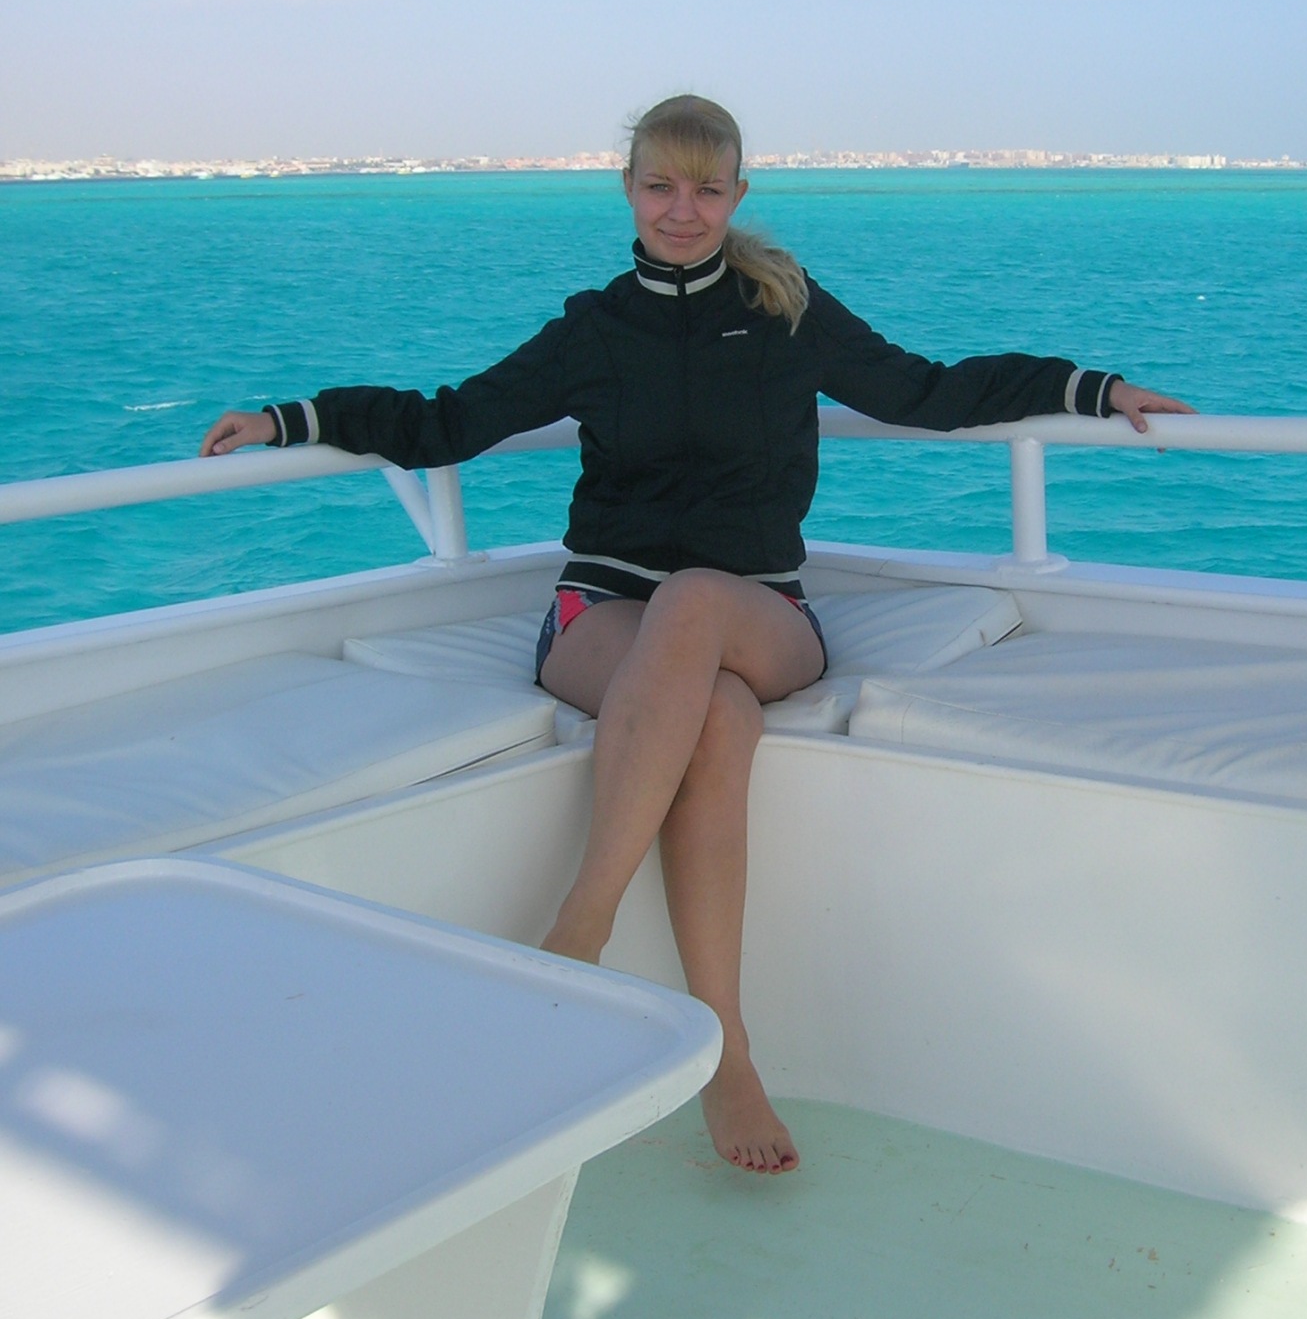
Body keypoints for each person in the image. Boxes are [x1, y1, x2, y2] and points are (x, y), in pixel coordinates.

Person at [201, 96, 1191, 1174]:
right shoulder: (595, 328)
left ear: (737, 195)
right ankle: (727, 1051)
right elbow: (449, 421)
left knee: (695, 601)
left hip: (755, 609)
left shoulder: (786, 312)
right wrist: (293, 418)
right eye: (661, 186)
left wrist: (1089, 389)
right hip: (601, 611)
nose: (683, 210)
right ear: (627, 190)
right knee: (714, 714)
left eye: (706, 189)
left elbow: (927, 392)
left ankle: (580, 928)